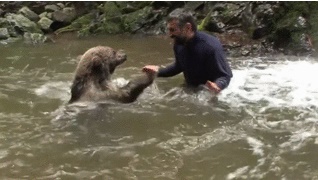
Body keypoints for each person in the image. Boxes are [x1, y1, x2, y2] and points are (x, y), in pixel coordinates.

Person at [143, 8, 233, 94]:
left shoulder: (210, 46)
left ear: (188, 27)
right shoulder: (179, 43)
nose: (170, 35)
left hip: (211, 92)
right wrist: (157, 72)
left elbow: (225, 75)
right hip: (192, 89)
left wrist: (218, 85)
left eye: (173, 30)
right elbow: (179, 66)